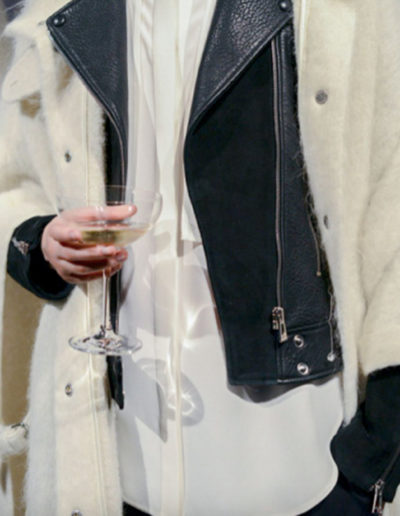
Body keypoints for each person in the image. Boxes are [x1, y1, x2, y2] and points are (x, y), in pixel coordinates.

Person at [1, 0, 400, 514]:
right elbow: (16, 181)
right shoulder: (61, 13)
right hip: (110, 457)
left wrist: (375, 458)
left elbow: (390, 202)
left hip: (297, 460)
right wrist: (42, 240)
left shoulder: (342, 11)